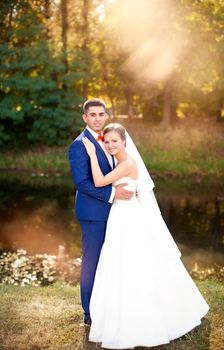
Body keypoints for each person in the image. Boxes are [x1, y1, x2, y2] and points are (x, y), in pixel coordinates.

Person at [82, 123, 209, 349]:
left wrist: (92, 154)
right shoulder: (121, 160)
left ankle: (143, 317)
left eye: (115, 141)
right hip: (122, 214)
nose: (110, 145)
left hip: (127, 218)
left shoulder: (127, 162)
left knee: (130, 262)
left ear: (124, 141)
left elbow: (100, 182)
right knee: (121, 262)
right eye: (107, 141)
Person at [68, 99, 134, 326]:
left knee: (112, 261)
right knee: (92, 262)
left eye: (101, 114)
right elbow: (82, 183)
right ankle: (89, 313)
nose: (97, 118)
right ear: (85, 117)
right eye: (92, 114)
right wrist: (113, 195)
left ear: (106, 116)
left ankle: (109, 306)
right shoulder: (79, 145)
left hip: (116, 213)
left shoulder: (109, 141)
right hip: (93, 214)